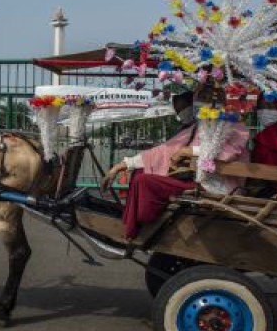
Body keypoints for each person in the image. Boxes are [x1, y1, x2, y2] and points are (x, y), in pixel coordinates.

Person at [101, 88, 250, 239]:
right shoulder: (196, 127)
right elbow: (162, 151)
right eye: (202, 97)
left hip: (216, 186)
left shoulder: (235, 126)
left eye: (211, 97)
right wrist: (122, 165)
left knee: (144, 181)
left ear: (221, 101)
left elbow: (228, 152)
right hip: (192, 180)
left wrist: (188, 151)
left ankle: (138, 228)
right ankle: (133, 225)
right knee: (140, 172)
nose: (205, 102)